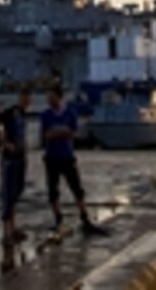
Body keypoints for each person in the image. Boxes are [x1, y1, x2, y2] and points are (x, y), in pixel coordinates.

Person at [39, 86, 107, 236]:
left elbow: (73, 133)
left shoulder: (70, 113)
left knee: (77, 188)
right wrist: (63, 132)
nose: (49, 100)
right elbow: (47, 135)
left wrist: (59, 133)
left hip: (66, 156)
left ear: (59, 97)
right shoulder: (45, 115)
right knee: (52, 190)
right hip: (52, 157)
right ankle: (58, 219)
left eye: (51, 97)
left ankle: (85, 218)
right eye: (48, 97)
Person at [0, 88, 31, 246]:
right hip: (10, 159)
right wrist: (4, 144)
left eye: (28, 99)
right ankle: (6, 232)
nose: (27, 101)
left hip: (21, 158)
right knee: (8, 195)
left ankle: (13, 228)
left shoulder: (22, 114)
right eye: (25, 98)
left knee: (16, 193)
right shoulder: (11, 112)